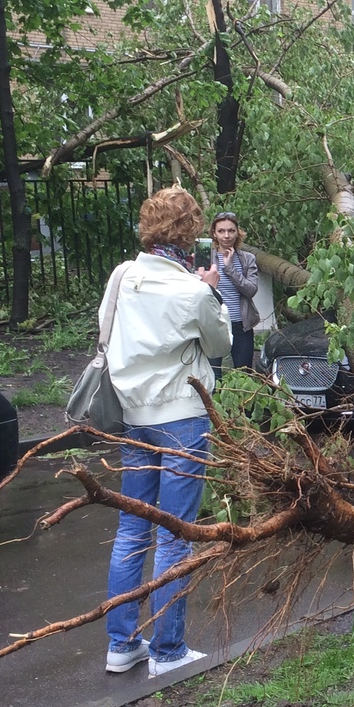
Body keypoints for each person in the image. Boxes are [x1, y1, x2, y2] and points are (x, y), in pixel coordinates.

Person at [101, 187, 233, 678]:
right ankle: (169, 651)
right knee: (174, 535)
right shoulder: (193, 290)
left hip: (133, 418)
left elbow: (106, 332)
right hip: (182, 417)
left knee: (132, 529)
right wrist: (212, 289)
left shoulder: (121, 277)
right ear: (190, 233)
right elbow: (219, 343)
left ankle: (121, 645)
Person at [207, 210, 259, 377]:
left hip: (241, 325)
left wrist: (229, 268)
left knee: (244, 375)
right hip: (214, 323)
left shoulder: (247, 258)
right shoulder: (207, 258)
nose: (226, 235)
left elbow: (251, 290)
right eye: (221, 231)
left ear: (238, 232)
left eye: (231, 230)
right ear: (214, 233)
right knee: (212, 376)